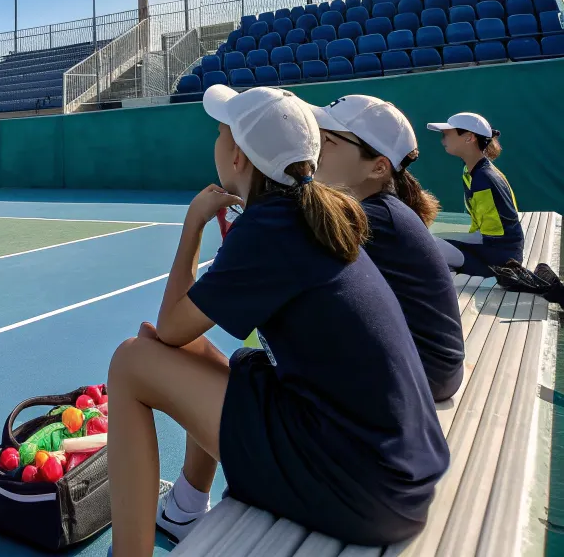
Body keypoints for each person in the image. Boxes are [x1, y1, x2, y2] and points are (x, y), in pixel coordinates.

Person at [106, 85, 448, 556]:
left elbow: (168, 327)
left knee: (130, 363)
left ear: (238, 157)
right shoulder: (314, 211)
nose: (217, 141)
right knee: (226, 359)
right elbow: (181, 336)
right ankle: (184, 509)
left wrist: (193, 226)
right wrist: (171, 345)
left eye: (222, 132)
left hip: (363, 487)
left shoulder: (270, 228)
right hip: (396, 471)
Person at [312, 95, 465, 402]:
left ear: (378, 168)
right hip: (430, 369)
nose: (313, 145)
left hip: (423, 372)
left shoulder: (372, 218)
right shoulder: (378, 210)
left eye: (327, 139)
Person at [426, 112, 523, 278]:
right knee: (428, 242)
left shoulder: (483, 178)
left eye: (446, 135)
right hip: (498, 249)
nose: (443, 140)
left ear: (469, 138)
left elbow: (493, 239)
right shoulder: (473, 171)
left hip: (501, 260)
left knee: (426, 246)